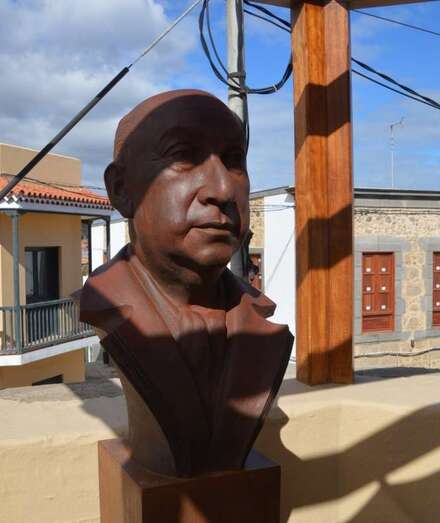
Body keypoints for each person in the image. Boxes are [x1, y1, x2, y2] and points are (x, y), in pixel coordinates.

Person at [78, 89, 292, 478]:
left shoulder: (264, 324)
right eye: (183, 157)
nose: (223, 190)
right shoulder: (105, 302)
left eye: (234, 161)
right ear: (122, 190)